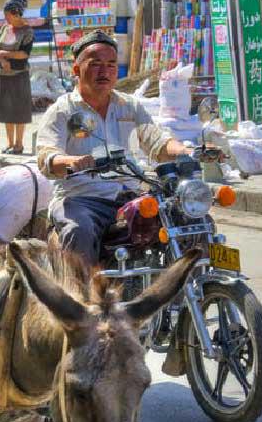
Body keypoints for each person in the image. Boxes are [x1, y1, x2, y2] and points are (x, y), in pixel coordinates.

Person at [36, 31, 210, 264]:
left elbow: (158, 144)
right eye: (95, 64)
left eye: (110, 65)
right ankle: (82, 298)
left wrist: (188, 151)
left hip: (130, 197)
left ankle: (197, 286)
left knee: (194, 219)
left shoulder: (129, 106)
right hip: (82, 199)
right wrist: (71, 162)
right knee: (78, 231)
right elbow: (46, 156)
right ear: (76, 70)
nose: (104, 71)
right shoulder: (62, 110)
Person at [0, 0, 34, 154]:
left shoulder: (27, 31)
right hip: (3, 74)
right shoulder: (4, 28)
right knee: (6, 110)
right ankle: (9, 143)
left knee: (19, 110)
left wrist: (5, 54)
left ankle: (19, 144)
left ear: (16, 13)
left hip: (19, 75)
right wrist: (1, 57)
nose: (6, 18)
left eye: (8, 14)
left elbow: (24, 54)